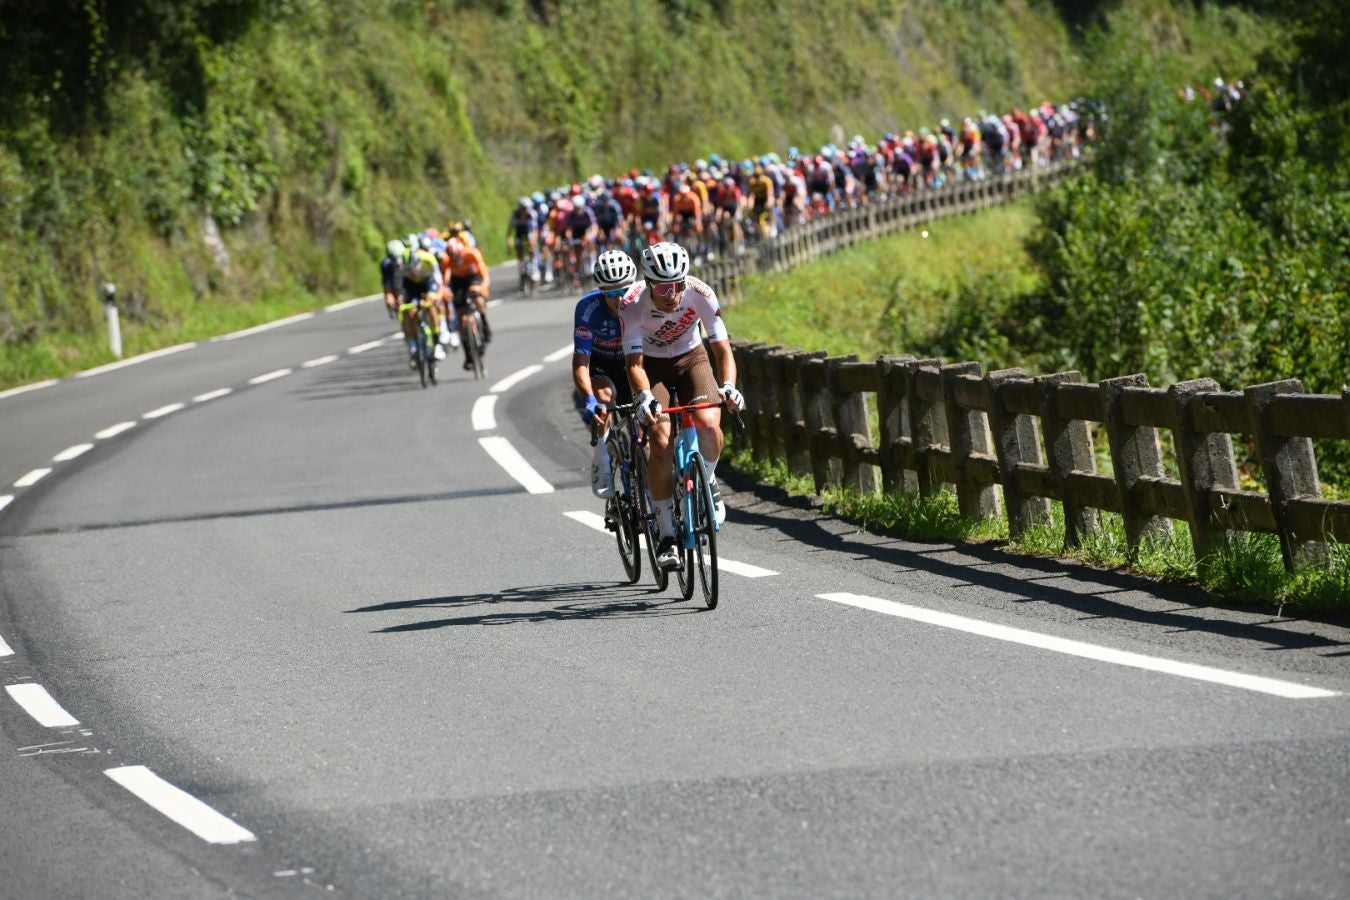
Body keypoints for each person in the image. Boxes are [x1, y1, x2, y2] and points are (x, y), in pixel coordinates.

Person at [621, 241, 745, 570]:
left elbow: (722, 350)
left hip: (693, 359)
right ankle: (666, 535)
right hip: (652, 367)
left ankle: (708, 481)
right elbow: (634, 365)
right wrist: (645, 396)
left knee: (708, 423)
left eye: (678, 283)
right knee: (660, 441)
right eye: (663, 286)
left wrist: (729, 386)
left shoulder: (700, 293)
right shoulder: (632, 303)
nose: (672, 292)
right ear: (648, 282)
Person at [571, 249, 639, 498]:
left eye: (624, 290)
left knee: (642, 422)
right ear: (601, 291)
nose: (618, 298)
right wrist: (588, 399)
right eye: (611, 292)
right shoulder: (588, 308)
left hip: (633, 361)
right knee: (604, 400)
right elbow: (581, 362)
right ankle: (601, 456)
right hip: (600, 364)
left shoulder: (643, 300)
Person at [445, 237, 492, 367]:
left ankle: (483, 321)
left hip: (473, 278)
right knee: (461, 317)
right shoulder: (446, 261)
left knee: (477, 298)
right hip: (458, 282)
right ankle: (468, 354)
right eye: (453, 260)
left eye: (458, 258)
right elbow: (443, 281)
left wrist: (482, 288)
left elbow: (485, 275)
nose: (457, 262)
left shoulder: (472, 254)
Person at [398, 242, 446, 364]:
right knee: (410, 312)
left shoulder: (428, 260)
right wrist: (400, 299)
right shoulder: (401, 268)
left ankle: (437, 342)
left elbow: (439, 284)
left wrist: (437, 297)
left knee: (431, 306)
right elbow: (400, 289)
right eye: (408, 270)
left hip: (428, 283)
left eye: (412, 269)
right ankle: (413, 344)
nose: (412, 272)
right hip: (411, 287)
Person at [381, 239, 404, 319]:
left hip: (407, 283)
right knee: (391, 302)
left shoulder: (408, 260)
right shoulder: (386, 264)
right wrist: (389, 296)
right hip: (394, 282)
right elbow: (387, 283)